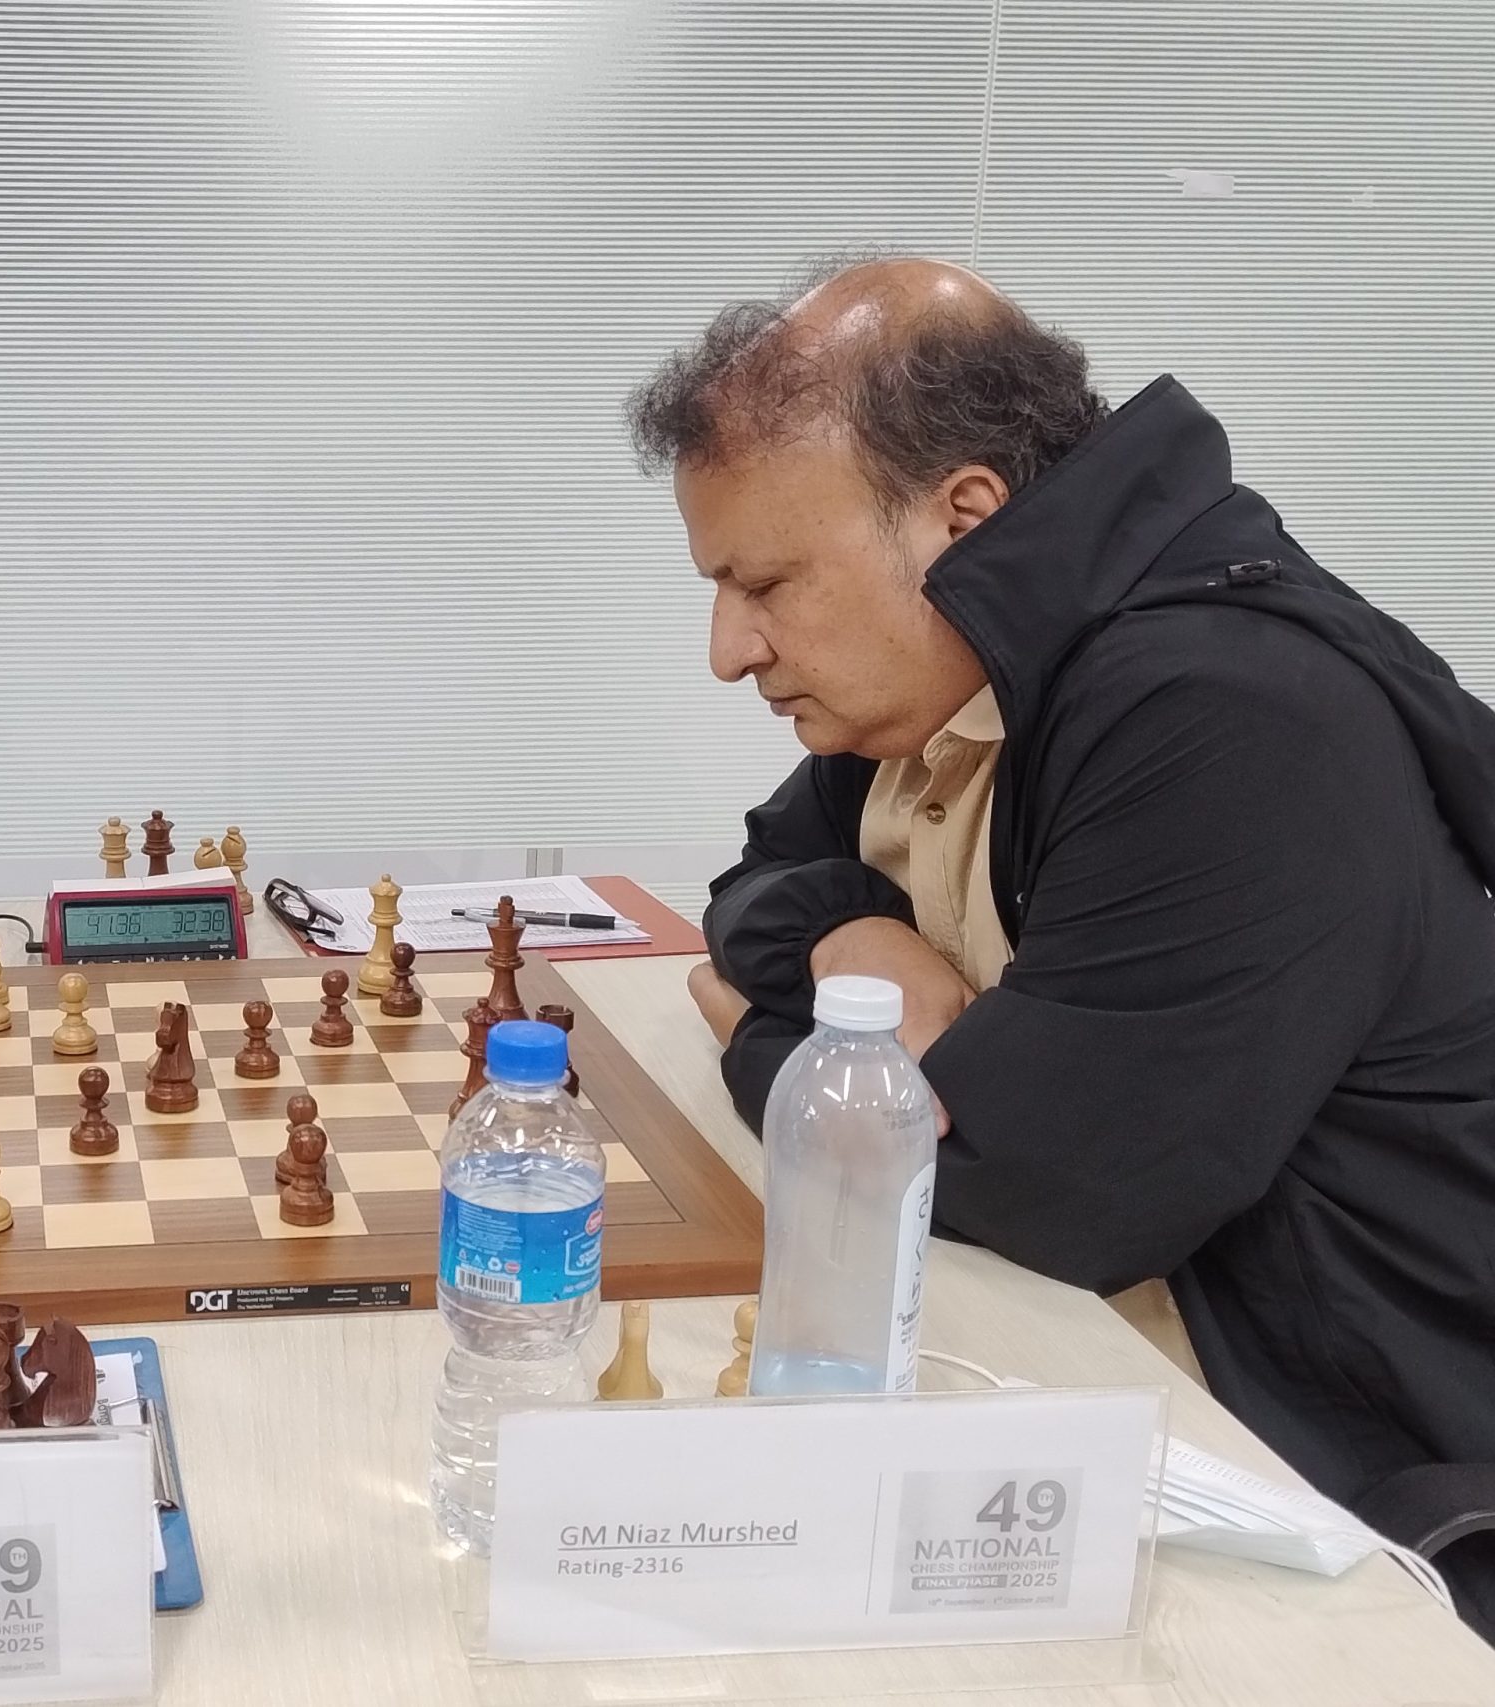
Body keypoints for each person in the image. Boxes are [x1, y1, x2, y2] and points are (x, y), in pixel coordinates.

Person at [629, 258, 1495, 1637]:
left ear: (965, 517)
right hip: (1101, 1379)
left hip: (1347, 1487)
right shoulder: (961, 670)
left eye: (768, 582)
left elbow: (1039, 1191)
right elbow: (759, 880)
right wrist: (855, 937)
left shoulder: (1229, 716)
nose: (730, 649)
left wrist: (777, 1051)